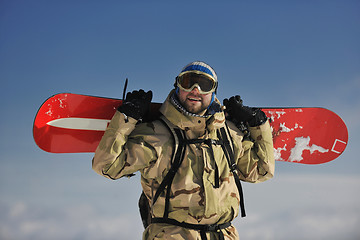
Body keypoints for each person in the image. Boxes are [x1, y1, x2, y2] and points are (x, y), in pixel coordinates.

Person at [92, 61, 275, 240]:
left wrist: (258, 125)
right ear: (177, 87)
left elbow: (261, 172)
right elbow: (107, 167)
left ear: (213, 92)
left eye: (204, 85)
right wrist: (126, 118)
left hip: (224, 234)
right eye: (188, 82)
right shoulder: (156, 134)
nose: (195, 90)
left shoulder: (228, 134)